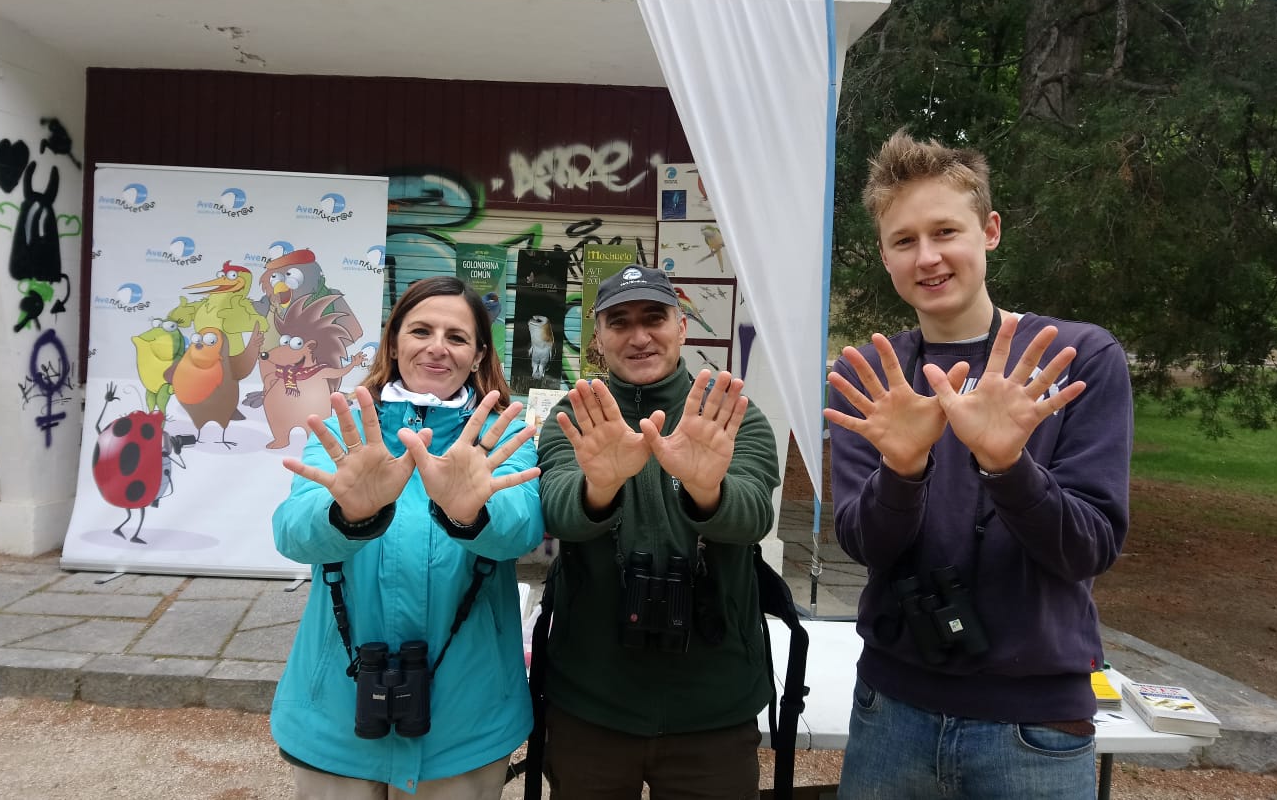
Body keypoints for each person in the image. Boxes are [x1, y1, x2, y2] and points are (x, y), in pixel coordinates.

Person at [824, 131, 1132, 799]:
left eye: (945, 231)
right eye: (904, 240)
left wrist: (1008, 466)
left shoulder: (1074, 358)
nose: (927, 257)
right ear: (884, 255)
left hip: (1034, 728)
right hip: (892, 712)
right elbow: (863, 543)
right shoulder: (871, 378)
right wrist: (902, 472)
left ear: (989, 231)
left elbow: (1090, 547)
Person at [271, 276, 545, 799]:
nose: (438, 346)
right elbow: (293, 532)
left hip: (465, 713)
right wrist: (347, 513)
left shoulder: (502, 432)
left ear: (478, 353)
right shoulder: (349, 426)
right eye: (421, 330)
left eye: (457, 337)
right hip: (337, 707)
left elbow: (519, 530)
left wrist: (471, 515)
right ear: (394, 343)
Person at [536, 264, 782, 800]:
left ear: (682, 327)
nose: (640, 336)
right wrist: (599, 487)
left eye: (655, 317)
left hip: (714, 704)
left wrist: (705, 488)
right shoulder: (576, 414)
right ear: (599, 337)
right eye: (619, 322)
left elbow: (753, 516)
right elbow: (556, 510)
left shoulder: (728, 411)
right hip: (592, 701)